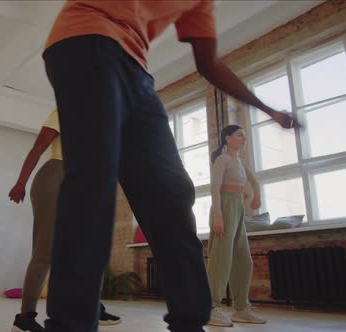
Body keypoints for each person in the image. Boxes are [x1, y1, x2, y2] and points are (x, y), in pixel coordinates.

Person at [41, 1, 299, 331]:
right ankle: (70, 324)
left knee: (171, 190)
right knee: (93, 182)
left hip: (137, 70)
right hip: (84, 38)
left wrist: (267, 108)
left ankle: (189, 321)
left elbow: (208, 63)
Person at [9, 110, 121, 332]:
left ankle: (91, 308)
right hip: (56, 177)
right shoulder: (66, 107)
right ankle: (24, 319)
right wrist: (21, 182)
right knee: (46, 252)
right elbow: (39, 146)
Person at [207, 125, 265, 327]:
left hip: (238, 206)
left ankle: (241, 309)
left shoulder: (240, 162)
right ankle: (212, 307)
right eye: (240, 134)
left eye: (245, 135)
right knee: (221, 259)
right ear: (228, 138)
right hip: (224, 206)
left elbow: (255, 181)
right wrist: (218, 216)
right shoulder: (222, 160)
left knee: (244, 260)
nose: (244, 138)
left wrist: (256, 196)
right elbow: (214, 188)